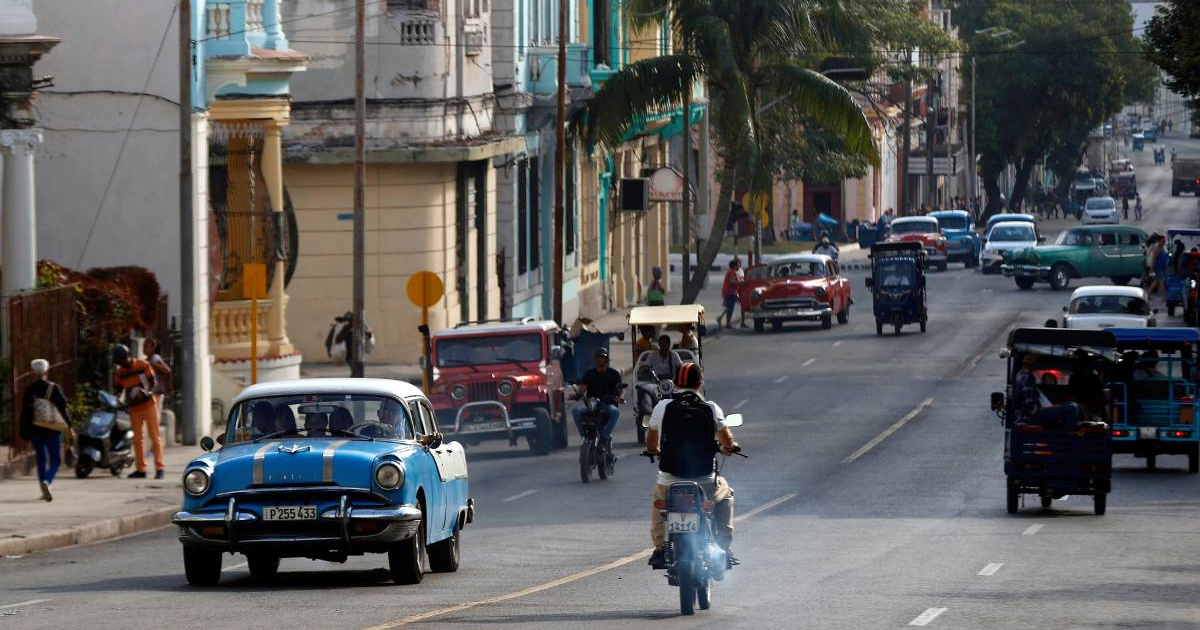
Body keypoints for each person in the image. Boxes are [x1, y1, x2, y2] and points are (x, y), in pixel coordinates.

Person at [645, 362, 737, 569]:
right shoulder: (711, 408)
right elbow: (727, 441)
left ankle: (660, 548)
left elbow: (651, 441)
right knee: (727, 494)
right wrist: (730, 447)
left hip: (669, 480)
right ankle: (724, 545)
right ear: (700, 384)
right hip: (705, 481)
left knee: (660, 503)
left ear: (675, 384)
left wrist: (653, 450)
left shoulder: (662, 407)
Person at [19, 359, 72, 502]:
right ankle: (47, 481)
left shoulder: (30, 390)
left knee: (41, 459)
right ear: (47, 371)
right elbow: (63, 408)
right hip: (52, 429)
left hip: (36, 430)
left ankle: (43, 488)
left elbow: (24, 414)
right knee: (56, 459)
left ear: (33, 372)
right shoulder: (54, 388)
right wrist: (69, 426)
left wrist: (25, 435)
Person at [113, 344, 164, 479]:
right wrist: (117, 398)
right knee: (137, 440)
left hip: (148, 405)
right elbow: (118, 389)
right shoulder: (120, 372)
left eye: (123, 360)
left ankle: (160, 468)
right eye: (119, 362)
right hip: (134, 408)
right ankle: (141, 470)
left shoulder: (143, 365)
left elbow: (153, 383)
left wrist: (146, 392)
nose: (122, 364)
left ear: (128, 356)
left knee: (155, 438)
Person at [571, 347, 624, 444]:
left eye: (602, 357)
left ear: (606, 359)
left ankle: (605, 436)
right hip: (593, 406)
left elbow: (620, 389)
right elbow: (582, 389)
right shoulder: (589, 374)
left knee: (615, 412)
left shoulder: (614, 374)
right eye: (597, 357)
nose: (599, 359)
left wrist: (621, 398)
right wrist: (576, 395)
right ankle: (584, 436)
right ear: (594, 359)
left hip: (607, 405)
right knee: (576, 411)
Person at [719, 258, 743, 330]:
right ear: (734, 266)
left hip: (733, 292)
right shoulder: (731, 272)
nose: (739, 267)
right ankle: (728, 323)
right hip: (729, 292)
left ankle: (720, 318)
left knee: (730, 307)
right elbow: (731, 281)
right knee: (730, 308)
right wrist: (740, 283)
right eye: (738, 265)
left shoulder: (733, 272)